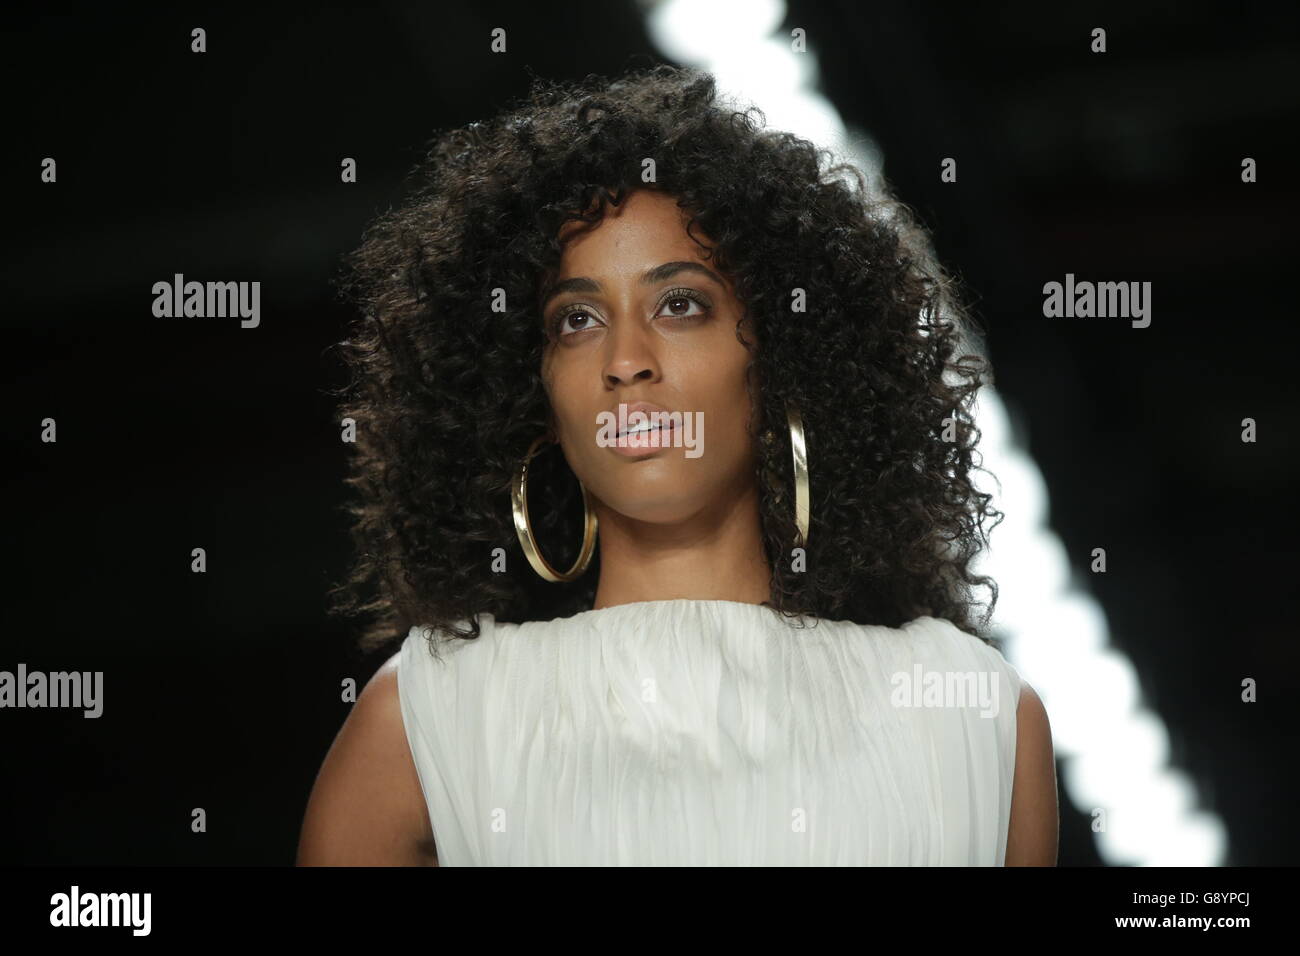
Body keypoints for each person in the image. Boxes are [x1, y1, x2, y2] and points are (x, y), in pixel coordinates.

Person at [297, 65, 1058, 866]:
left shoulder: (976, 718)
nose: (626, 361)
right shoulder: (428, 722)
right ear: (539, 403)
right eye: (578, 320)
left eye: (681, 304)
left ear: (781, 361)